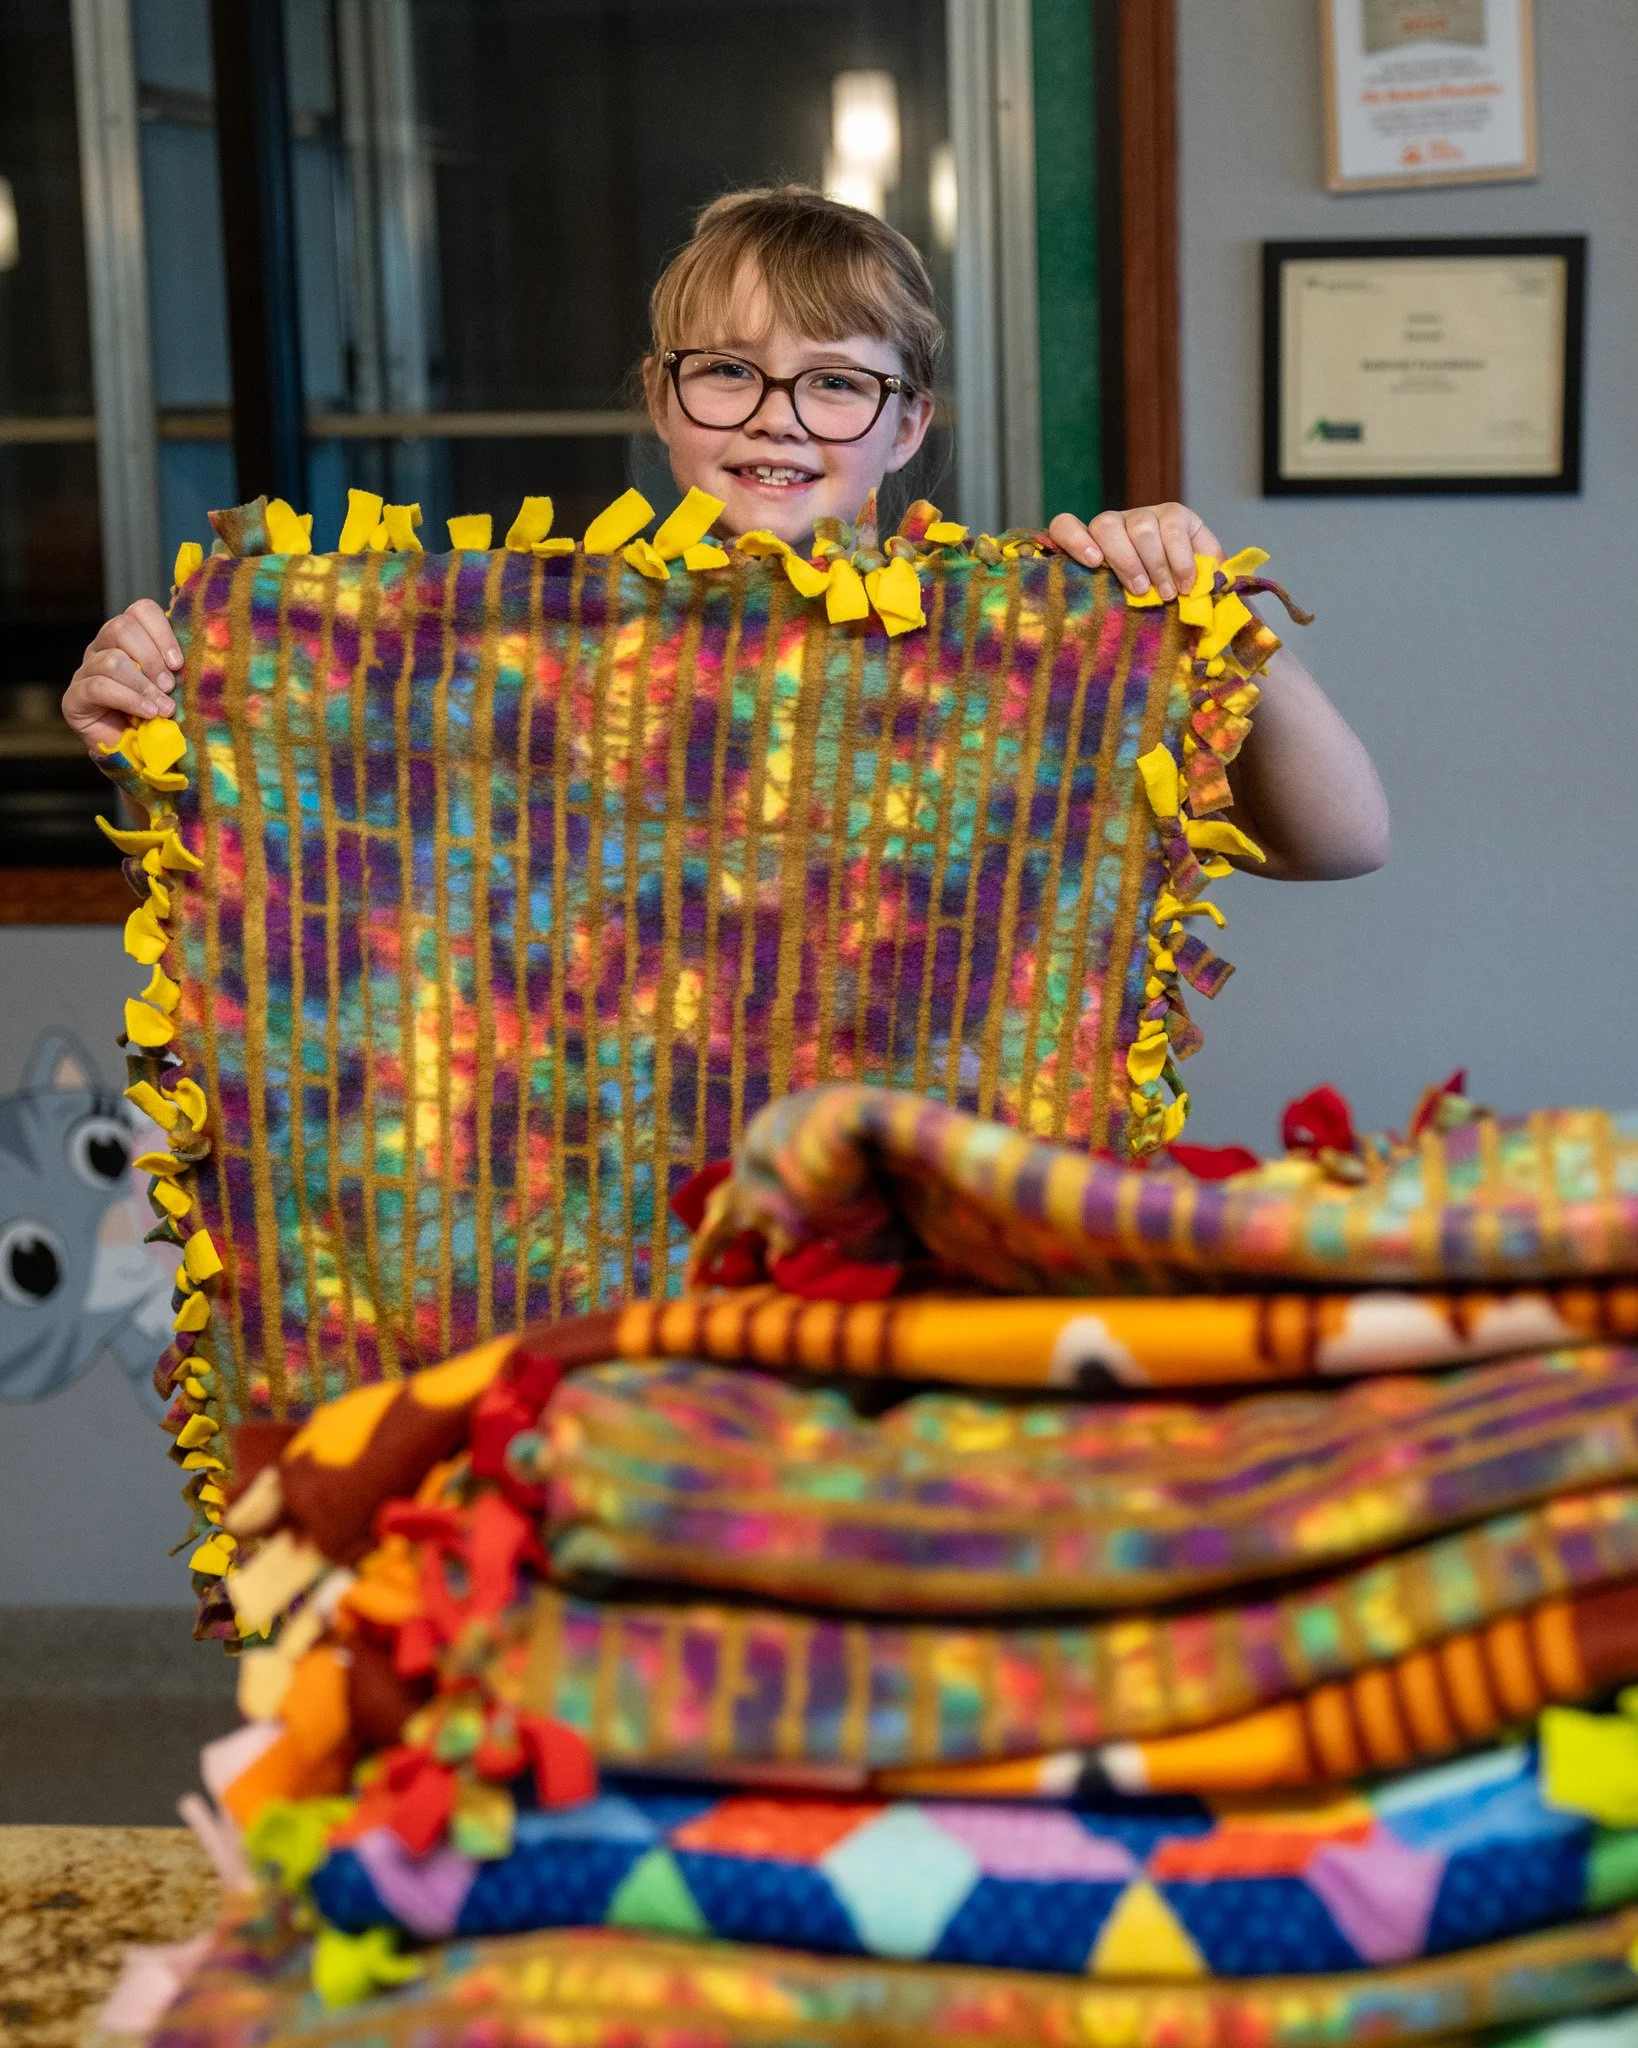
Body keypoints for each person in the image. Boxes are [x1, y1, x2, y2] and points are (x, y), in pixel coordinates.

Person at [62, 185, 1387, 881]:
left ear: (905, 422)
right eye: (726, 370)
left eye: (834, 380)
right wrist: (159, 740)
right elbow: (322, 866)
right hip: (617, 1216)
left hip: (919, 1232)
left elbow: (1337, 844)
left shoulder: (1020, 653)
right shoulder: (523, 651)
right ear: (660, 396)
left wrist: (1211, 620)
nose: (776, 417)